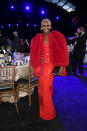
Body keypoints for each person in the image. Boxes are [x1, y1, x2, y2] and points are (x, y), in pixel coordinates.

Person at [30, 19, 69, 120]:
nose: (46, 27)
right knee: (42, 89)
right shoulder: (38, 37)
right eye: (44, 25)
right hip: (42, 65)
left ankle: (49, 113)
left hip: (51, 65)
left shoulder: (56, 36)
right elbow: (35, 51)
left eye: (48, 25)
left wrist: (61, 65)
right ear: (41, 27)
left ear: (51, 26)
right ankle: (43, 111)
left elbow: (62, 51)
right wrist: (38, 58)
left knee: (46, 88)